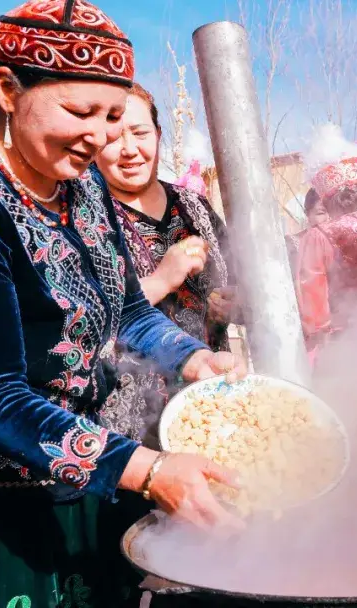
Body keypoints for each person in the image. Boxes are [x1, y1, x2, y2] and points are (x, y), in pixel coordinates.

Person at [0, 2, 246, 606]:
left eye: (113, 115)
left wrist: (191, 358)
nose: (101, 137)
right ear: (8, 89)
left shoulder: (82, 189)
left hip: (76, 485)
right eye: (81, 112)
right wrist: (149, 470)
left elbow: (127, 309)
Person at [95, 83, 240, 448]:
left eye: (140, 133)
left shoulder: (194, 206)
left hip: (208, 407)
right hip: (130, 428)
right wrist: (161, 280)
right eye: (113, 137)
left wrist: (234, 305)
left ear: (158, 134)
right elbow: (86, 314)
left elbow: (236, 280)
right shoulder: (87, 215)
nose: (129, 149)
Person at [296, 124, 357, 365]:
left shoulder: (318, 236)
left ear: (328, 201)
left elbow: (312, 292)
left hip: (341, 340)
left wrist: (318, 335)